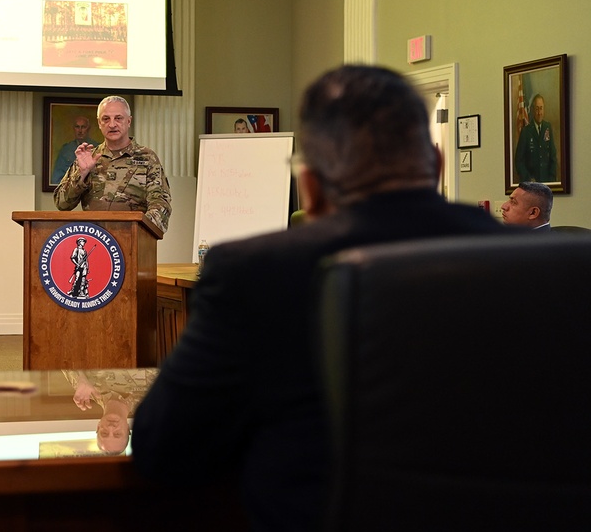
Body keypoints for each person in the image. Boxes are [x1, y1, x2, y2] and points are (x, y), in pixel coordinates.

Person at [131, 65, 510, 532]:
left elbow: (165, 448)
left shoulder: (253, 273)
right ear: (436, 163)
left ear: (308, 187)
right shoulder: (539, 264)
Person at [53, 95, 172, 234]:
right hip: (95, 241)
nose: (112, 124)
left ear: (129, 121)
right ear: (99, 123)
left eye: (118, 118)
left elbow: (161, 204)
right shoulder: (89, 157)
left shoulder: (147, 158)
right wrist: (81, 174)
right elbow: (61, 204)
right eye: (106, 119)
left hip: (133, 241)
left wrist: (140, 231)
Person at [63, 369, 157, 455]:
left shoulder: (83, 387)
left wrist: (81, 377)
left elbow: (63, 354)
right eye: (117, 434)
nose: (111, 427)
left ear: (98, 427)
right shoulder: (151, 395)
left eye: (104, 433)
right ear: (128, 429)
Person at [515, 94, 557, 182]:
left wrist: (552, 179)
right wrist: (528, 179)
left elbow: (553, 157)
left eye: (541, 108)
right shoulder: (526, 131)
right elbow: (519, 161)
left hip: (547, 183)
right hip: (531, 185)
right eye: (537, 109)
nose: (539, 112)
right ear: (533, 110)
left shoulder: (547, 127)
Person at [51, 114, 99, 184]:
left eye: (83, 127)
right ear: (74, 129)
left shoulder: (97, 148)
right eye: (77, 127)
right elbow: (56, 178)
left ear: (88, 129)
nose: (80, 130)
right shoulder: (66, 150)